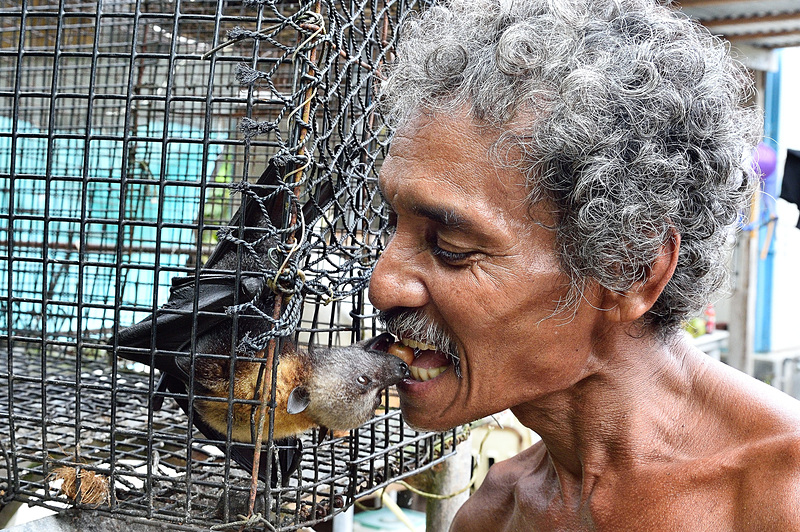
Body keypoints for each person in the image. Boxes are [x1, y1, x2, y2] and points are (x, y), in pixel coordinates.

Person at [366, 0, 800, 529]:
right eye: (391, 224)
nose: (382, 284)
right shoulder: (494, 512)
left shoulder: (782, 496)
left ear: (629, 267)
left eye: (452, 248)